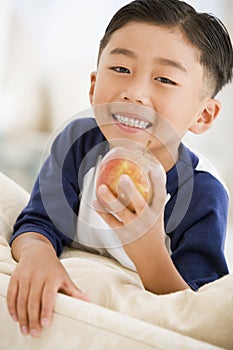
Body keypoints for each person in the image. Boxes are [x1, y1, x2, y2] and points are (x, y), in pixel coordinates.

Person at [7, 0, 233, 339]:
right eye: (121, 70)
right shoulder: (76, 144)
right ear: (94, 85)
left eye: (164, 79)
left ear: (203, 116)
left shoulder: (203, 193)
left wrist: (148, 249)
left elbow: (197, 307)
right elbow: (38, 222)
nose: (134, 93)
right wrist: (38, 255)